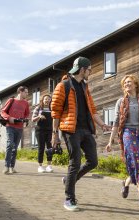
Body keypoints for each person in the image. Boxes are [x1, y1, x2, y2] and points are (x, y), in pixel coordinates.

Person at [51, 56, 111, 211]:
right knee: (75, 162)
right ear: (82, 69)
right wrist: (54, 134)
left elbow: (93, 110)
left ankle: (69, 180)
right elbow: (56, 112)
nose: (90, 72)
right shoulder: (63, 86)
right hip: (70, 130)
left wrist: (102, 124)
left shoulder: (85, 87)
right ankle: (69, 199)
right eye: (89, 70)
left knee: (93, 161)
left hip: (86, 130)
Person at [105, 74, 139, 208]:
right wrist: (111, 141)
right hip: (128, 133)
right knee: (137, 161)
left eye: (129, 82)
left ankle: (126, 183)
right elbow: (115, 122)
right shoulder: (121, 102)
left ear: (136, 85)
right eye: (125, 83)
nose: (126, 84)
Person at [0, 86, 30, 174]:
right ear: (20, 92)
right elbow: (2, 112)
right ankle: (6, 166)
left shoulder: (26, 103)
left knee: (15, 148)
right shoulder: (11, 100)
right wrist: (9, 117)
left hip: (20, 128)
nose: (27, 94)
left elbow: (27, 114)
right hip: (10, 126)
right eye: (26, 92)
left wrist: (24, 120)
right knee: (10, 144)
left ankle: (12, 167)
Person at [32, 94, 54, 173]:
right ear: (42, 100)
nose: (47, 100)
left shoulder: (52, 108)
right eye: (45, 99)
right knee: (41, 148)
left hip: (49, 130)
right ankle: (40, 166)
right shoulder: (38, 108)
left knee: (49, 148)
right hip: (40, 130)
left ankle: (49, 166)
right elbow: (33, 119)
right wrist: (39, 116)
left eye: (48, 99)